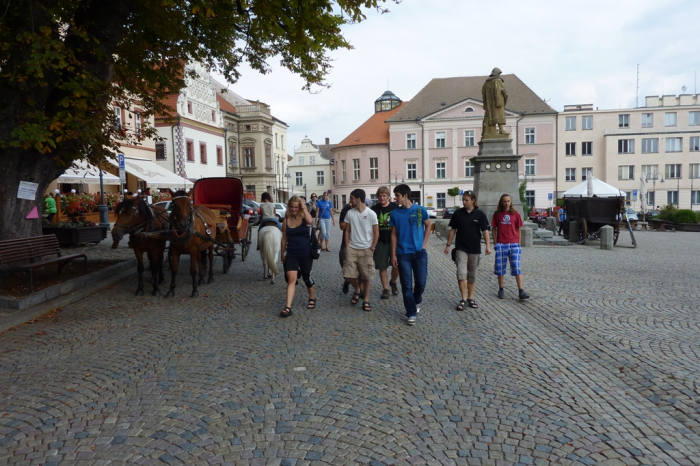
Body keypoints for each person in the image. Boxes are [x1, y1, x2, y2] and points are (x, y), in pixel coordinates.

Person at [390, 184, 431, 326]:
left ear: (405, 195)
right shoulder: (395, 214)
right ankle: (411, 312)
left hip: (419, 253)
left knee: (421, 282)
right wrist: (393, 254)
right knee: (406, 285)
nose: (395, 198)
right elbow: (393, 234)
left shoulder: (420, 210)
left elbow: (428, 225)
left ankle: (416, 300)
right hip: (403, 254)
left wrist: (424, 244)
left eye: (397, 195)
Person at [443, 190, 491, 311]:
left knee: (472, 275)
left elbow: (485, 231)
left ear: (473, 201)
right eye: (463, 200)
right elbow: (453, 230)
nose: (464, 202)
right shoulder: (458, 213)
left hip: (475, 249)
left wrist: (488, 246)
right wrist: (448, 245)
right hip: (461, 248)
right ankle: (463, 298)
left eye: (466, 200)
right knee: (461, 274)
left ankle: (471, 298)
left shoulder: (480, 214)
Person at [343, 189, 379, 312]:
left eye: (352, 198)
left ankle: (366, 300)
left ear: (358, 199)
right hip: (352, 248)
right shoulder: (350, 213)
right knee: (349, 274)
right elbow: (347, 231)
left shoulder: (371, 214)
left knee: (367, 276)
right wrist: (347, 246)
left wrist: (372, 247)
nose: (350, 200)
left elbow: (376, 233)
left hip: (366, 249)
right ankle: (358, 289)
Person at [280, 196, 316, 318]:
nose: (294, 209)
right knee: (291, 279)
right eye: (292, 207)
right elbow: (284, 238)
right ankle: (288, 307)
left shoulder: (304, 217)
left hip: (305, 252)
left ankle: (312, 297)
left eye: (296, 207)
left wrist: (304, 208)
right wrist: (282, 254)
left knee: (306, 276)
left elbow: (310, 221)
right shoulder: (286, 219)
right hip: (292, 253)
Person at [491, 194, 529, 300]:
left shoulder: (515, 213)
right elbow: (493, 228)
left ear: (511, 202)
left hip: (514, 243)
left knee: (516, 267)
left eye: (508, 201)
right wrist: (495, 243)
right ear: (501, 202)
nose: (506, 203)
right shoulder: (497, 214)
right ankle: (501, 289)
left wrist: (519, 243)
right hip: (501, 243)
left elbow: (519, 228)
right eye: (504, 201)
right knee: (500, 267)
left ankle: (521, 290)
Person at [371, 186, 400, 299]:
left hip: (395, 240)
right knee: (382, 266)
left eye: (384, 196)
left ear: (388, 196)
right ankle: (385, 288)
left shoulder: (395, 207)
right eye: (380, 196)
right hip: (380, 241)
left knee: (396, 265)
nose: (382, 198)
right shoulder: (374, 209)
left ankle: (393, 281)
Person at [481, 67, 510, 138]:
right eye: (499, 74)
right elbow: (503, 90)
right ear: (497, 74)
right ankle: (501, 129)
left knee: (491, 116)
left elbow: (483, 93)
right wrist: (505, 96)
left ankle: (492, 130)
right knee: (499, 115)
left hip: (489, 104)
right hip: (498, 101)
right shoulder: (498, 81)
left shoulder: (486, 83)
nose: (499, 75)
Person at [338, 202, 353, 294]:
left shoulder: (365, 210)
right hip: (346, 242)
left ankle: (359, 290)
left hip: (360, 243)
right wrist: (354, 221)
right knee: (344, 264)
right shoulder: (346, 210)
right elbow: (342, 226)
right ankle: (347, 279)